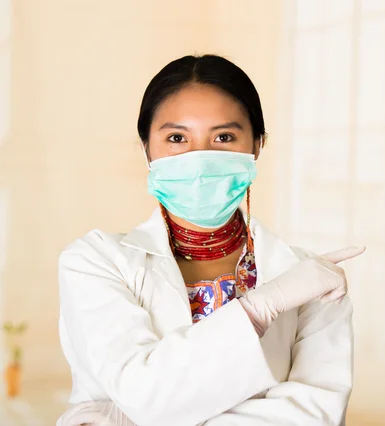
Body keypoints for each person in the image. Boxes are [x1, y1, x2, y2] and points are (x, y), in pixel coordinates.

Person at [56, 54, 365, 426]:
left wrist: (131, 417)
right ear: (146, 150)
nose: (200, 159)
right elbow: (143, 393)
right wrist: (259, 308)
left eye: (224, 137)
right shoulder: (95, 261)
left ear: (257, 147)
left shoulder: (313, 279)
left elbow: (315, 416)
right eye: (176, 138)